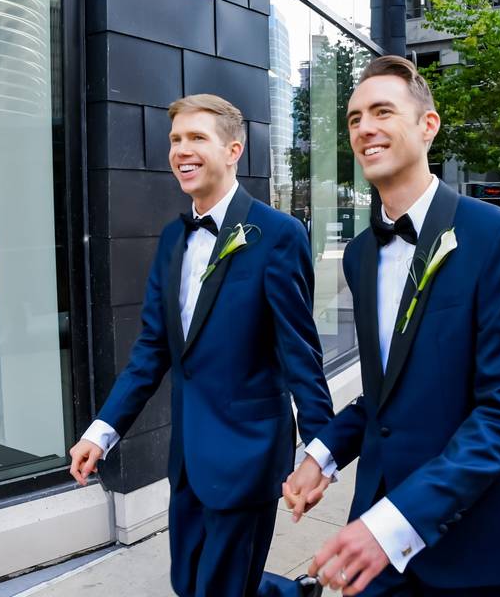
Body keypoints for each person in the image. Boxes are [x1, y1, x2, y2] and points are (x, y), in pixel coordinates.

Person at [284, 56, 500, 596]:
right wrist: (321, 455)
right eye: (355, 118)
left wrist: (391, 525)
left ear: (428, 126)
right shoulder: (359, 255)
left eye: (382, 111)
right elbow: (384, 398)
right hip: (375, 538)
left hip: (470, 542)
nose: (365, 129)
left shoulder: (499, 238)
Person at [67, 94, 334, 597]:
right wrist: (101, 433)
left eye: (196, 138)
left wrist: (321, 453)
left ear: (234, 150)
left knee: (219, 587)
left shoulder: (278, 235)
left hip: (249, 452)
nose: (181, 150)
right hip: (188, 454)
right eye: (175, 139)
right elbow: (151, 349)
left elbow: (302, 352)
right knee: (188, 581)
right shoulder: (173, 237)